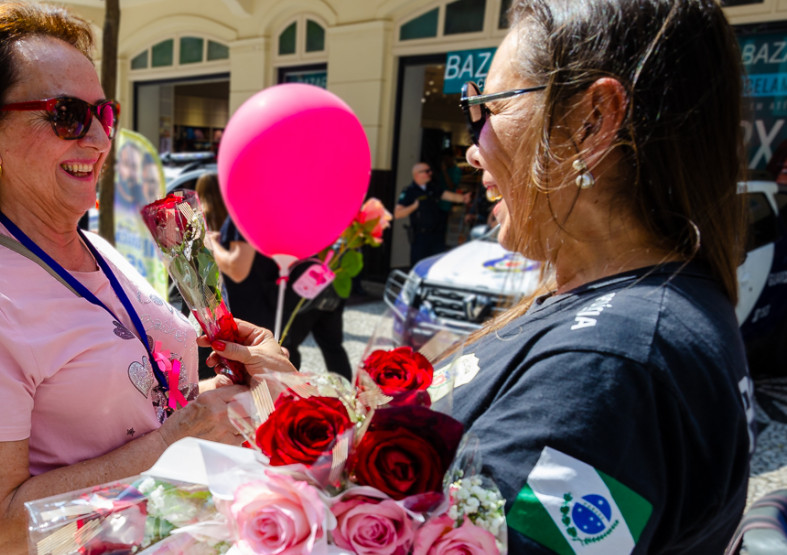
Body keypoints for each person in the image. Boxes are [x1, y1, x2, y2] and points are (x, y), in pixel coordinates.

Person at [202, 0, 755, 551]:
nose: (472, 149)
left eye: (488, 109)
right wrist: (290, 402)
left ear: (593, 120)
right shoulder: (630, 311)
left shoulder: (611, 363)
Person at [0, 3, 275, 552]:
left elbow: (142, 406)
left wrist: (233, 389)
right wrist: (176, 440)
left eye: (105, 114)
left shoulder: (97, 249)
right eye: (67, 114)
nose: (100, 139)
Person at [394, 162, 469, 266]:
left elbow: (447, 196)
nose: (430, 173)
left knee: (437, 264)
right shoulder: (409, 191)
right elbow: (398, 214)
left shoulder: (432, 188)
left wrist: (463, 198)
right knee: (419, 264)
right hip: (420, 236)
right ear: (417, 174)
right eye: (427, 171)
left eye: (430, 171)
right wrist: (414, 207)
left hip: (437, 235)